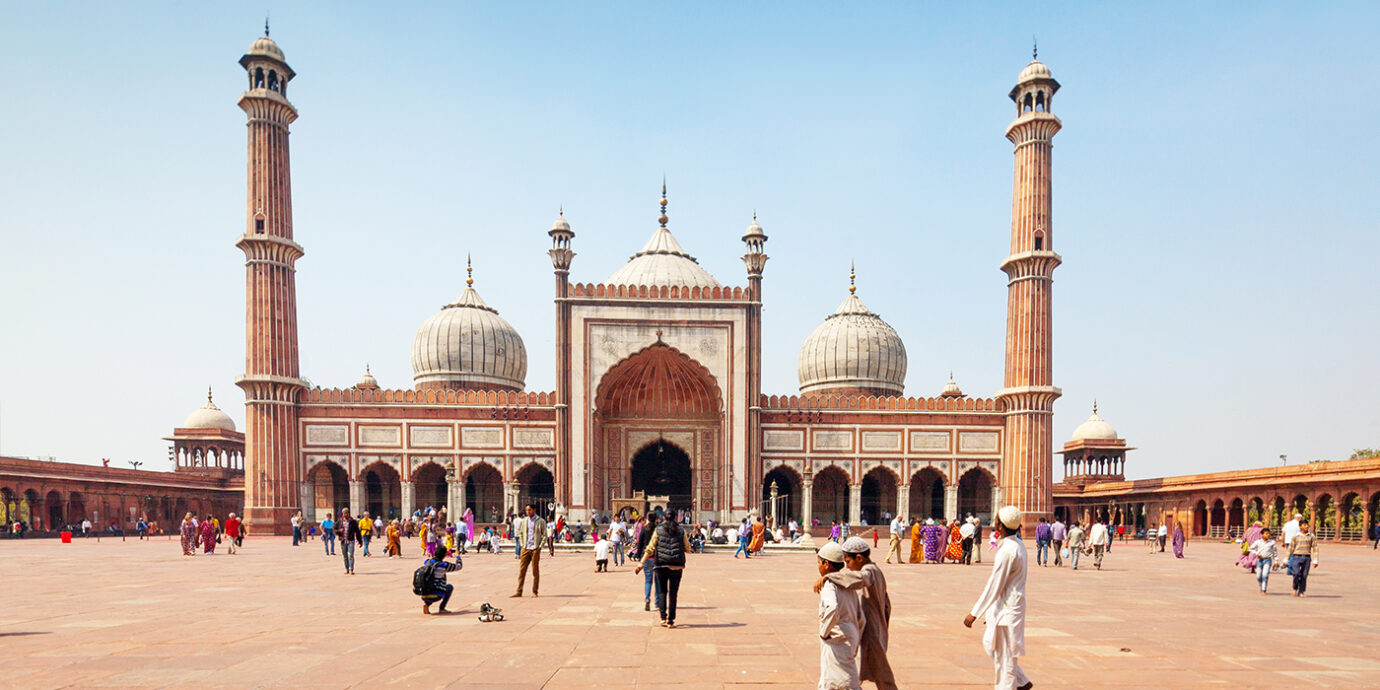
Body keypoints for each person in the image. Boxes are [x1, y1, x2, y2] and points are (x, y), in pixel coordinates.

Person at [964, 506, 1030, 690]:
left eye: (995, 522)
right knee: (990, 644)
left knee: (1005, 659)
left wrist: (975, 612)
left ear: (1000, 527)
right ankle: (1023, 681)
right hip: (1006, 605)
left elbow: (995, 584)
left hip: (1009, 608)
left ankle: (1012, 686)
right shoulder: (1016, 544)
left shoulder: (1008, 551)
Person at [820, 537, 897, 690]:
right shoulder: (877, 571)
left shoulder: (869, 571)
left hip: (872, 632)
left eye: (848, 561)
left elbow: (860, 578)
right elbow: (887, 606)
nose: (847, 567)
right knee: (858, 670)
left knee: (882, 676)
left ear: (859, 558)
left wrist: (829, 576)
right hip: (873, 629)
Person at [814, 541, 864, 690]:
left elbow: (831, 607)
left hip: (837, 637)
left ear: (826, 564)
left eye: (819, 563)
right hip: (850, 634)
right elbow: (860, 616)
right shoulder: (847, 584)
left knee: (837, 681)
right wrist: (856, 636)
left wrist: (824, 631)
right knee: (844, 677)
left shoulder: (829, 585)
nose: (818, 567)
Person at [639, 512, 690, 628]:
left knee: (662, 592)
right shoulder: (681, 530)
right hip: (676, 565)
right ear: (675, 517)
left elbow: (650, 548)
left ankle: (663, 618)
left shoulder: (658, 530)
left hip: (661, 565)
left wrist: (641, 562)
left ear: (663, 517)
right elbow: (687, 548)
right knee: (673, 594)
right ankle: (671, 621)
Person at [512, 504, 547, 598]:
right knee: (522, 570)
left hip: (535, 548)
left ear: (534, 510)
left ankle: (535, 591)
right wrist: (523, 544)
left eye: (530, 510)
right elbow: (521, 533)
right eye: (527, 510)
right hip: (526, 548)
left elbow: (544, 535)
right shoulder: (525, 521)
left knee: (535, 571)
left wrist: (539, 546)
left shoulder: (541, 521)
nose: (528, 512)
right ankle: (519, 591)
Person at [418, 544, 463, 615]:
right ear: (444, 554)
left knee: (432, 585)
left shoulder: (427, 562)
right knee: (449, 587)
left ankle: (427, 604)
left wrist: (443, 554)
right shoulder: (444, 565)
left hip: (423, 594)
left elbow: (433, 561)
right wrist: (457, 556)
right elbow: (459, 566)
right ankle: (442, 608)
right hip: (436, 595)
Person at [1288, 520, 1319, 597]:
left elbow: (1315, 548)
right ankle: (1295, 587)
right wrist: (1286, 558)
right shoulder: (1295, 536)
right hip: (1296, 556)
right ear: (1300, 526)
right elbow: (1291, 548)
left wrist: (1315, 560)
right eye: (1304, 525)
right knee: (1296, 573)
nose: (1306, 526)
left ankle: (1301, 591)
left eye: (1307, 525)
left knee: (1304, 575)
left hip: (1306, 557)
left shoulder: (1311, 536)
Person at [1249, 528, 1277, 594]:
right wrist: (1256, 553)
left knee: (1265, 574)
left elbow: (1275, 552)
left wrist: (1276, 561)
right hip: (1260, 560)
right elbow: (1250, 548)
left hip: (1267, 560)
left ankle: (1264, 589)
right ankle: (1261, 585)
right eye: (1266, 534)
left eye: (1269, 533)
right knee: (1258, 576)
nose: (1268, 535)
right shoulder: (1258, 542)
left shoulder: (1272, 542)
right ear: (1262, 534)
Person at [336, 508, 361, 575]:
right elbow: (334, 529)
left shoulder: (353, 522)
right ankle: (346, 569)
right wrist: (338, 531)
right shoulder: (340, 521)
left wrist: (360, 541)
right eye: (344, 513)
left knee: (351, 555)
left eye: (346, 513)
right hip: (343, 540)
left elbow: (357, 531)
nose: (345, 514)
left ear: (348, 513)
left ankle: (351, 569)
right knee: (345, 556)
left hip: (350, 540)